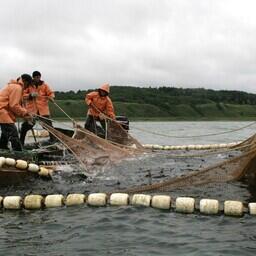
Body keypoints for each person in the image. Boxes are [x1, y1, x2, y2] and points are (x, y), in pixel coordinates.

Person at [20, 71, 55, 145]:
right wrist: (30, 95)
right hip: (32, 111)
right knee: (26, 126)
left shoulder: (44, 85)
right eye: (36, 77)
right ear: (33, 77)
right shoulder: (29, 85)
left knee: (48, 126)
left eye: (38, 77)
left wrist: (51, 97)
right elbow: (22, 95)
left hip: (43, 110)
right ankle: (21, 143)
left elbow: (51, 93)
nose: (37, 78)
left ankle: (53, 140)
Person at [0, 74, 33, 151]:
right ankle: (18, 152)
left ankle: (2, 148)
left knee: (5, 133)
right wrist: (26, 113)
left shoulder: (14, 86)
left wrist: (25, 115)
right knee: (13, 132)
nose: (27, 87)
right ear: (25, 81)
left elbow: (12, 106)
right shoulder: (17, 88)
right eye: (28, 84)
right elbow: (14, 105)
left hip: (3, 111)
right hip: (2, 111)